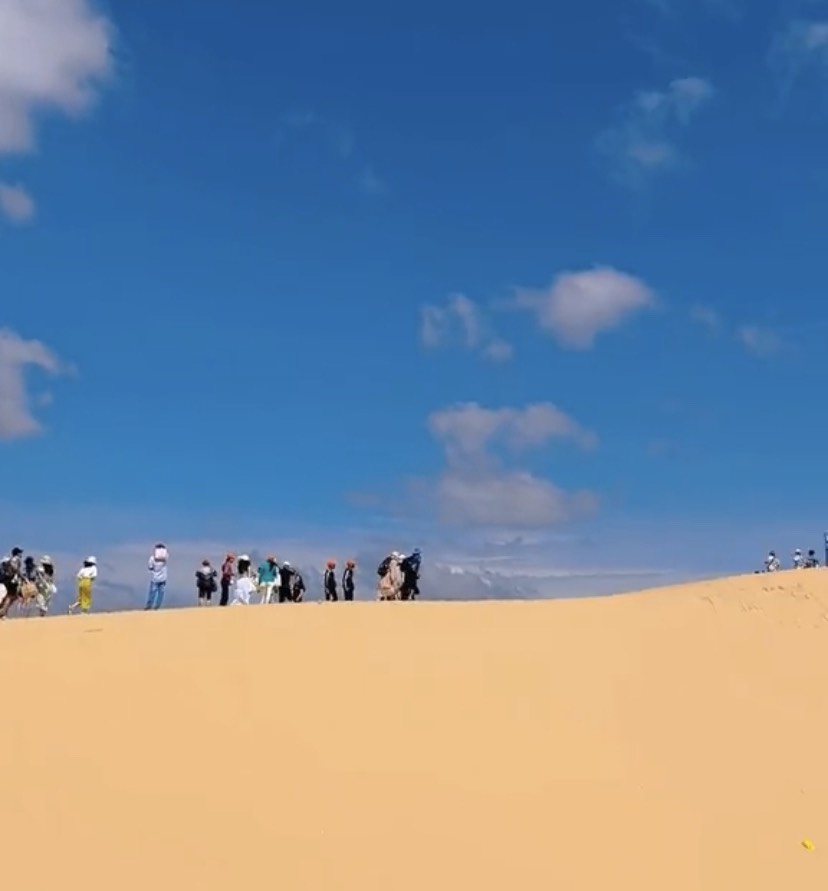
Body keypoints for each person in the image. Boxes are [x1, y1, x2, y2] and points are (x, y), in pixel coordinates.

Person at [0, 547, 24, 619]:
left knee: (6, 597)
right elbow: (15, 569)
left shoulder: (8, 560)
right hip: (10, 581)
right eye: (20, 553)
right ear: (17, 553)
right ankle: (3, 613)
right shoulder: (16, 559)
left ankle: (3, 613)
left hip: (4, 580)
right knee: (11, 597)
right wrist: (22, 577)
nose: (21, 554)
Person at [146, 543, 168, 610]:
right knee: (161, 594)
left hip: (155, 578)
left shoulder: (152, 558)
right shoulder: (165, 557)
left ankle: (149, 606)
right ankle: (157, 607)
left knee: (152, 593)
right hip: (163, 578)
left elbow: (150, 567)